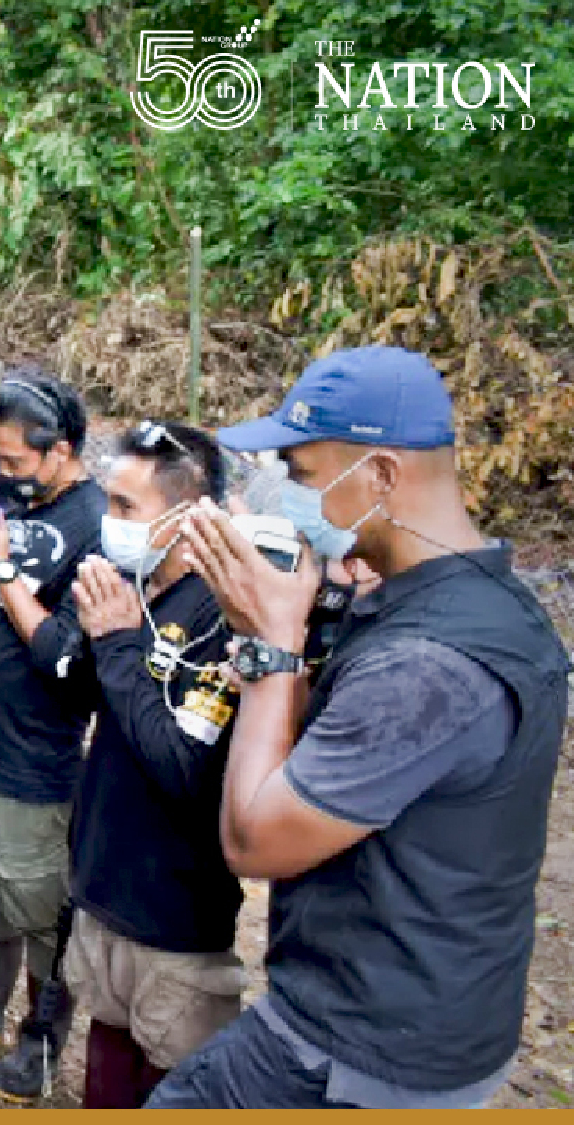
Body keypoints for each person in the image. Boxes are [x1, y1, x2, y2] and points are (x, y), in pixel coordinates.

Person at [147, 346, 571, 1109]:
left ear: (379, 475)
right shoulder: (471, 601)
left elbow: (254, 841)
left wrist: (271, 647)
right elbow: (343, 739)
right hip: (422, 1014)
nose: (290, 495)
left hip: (355, 1052)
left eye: (305, 475)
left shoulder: (430, 667)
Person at [63, 420, 247, 1108]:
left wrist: (111, 644)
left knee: (169, 1082)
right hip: (106, 888)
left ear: (190, 515)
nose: (109, 523)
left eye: (125, 508)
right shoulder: (136, 589)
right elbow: (89, 702)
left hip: (173, 920)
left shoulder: (223, 617)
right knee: (106, 1063)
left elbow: (184, 765)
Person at [0, 368, 103, 1098]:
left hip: (32, 759)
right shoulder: (2, 496)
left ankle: (40, 1044)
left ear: (60, 449)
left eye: (16, 462)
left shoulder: (96, 524)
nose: (2, 475)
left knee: (40, 909)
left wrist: (2, 567)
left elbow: (67, 665)